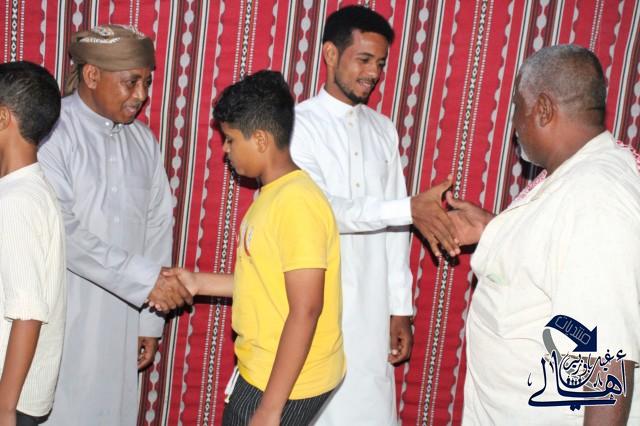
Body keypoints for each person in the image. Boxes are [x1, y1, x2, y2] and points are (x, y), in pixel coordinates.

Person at [447, 45, 640, 425]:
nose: (515, 125)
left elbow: (607, 360)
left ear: (544, 109)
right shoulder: (575, 177)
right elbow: (551, 255)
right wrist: (493, 229)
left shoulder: (595, 198)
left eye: (517, 108)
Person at [289, 6, 458, 425]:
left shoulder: (383, 129)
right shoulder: (297, 125)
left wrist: (399, 307)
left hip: (371, 307)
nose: (374, 74)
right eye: (363, 59)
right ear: (330, 54)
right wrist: (407, 208)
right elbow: (321, 210)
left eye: (380, 63)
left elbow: (397, 231)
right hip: (315, 301)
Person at [166, 70, 345, 426]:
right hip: (266, 368)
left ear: (260, 139)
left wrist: (270, 408)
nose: (225, 150)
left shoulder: (296, 203)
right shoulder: (274, 194)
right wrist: (197, 282)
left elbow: (306, 309)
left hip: (283, 383)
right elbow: (264, 282)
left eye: (230, 140)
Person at [37, 25, 192, 425]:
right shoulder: (51, 134)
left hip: (124, 317)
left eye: (146, 83)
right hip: (62, 313)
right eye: (131, 82)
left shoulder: (143, 141)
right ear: (91, 75)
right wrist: (146, 281)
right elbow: (63, 232)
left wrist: (150, 320)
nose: (141, 95)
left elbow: (158, 229)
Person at [0, 61, 64, 426]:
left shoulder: (16, 201)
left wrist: (5, 408)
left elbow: (28, 314)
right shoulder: (31, 188)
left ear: (3, 117)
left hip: (11, 394)